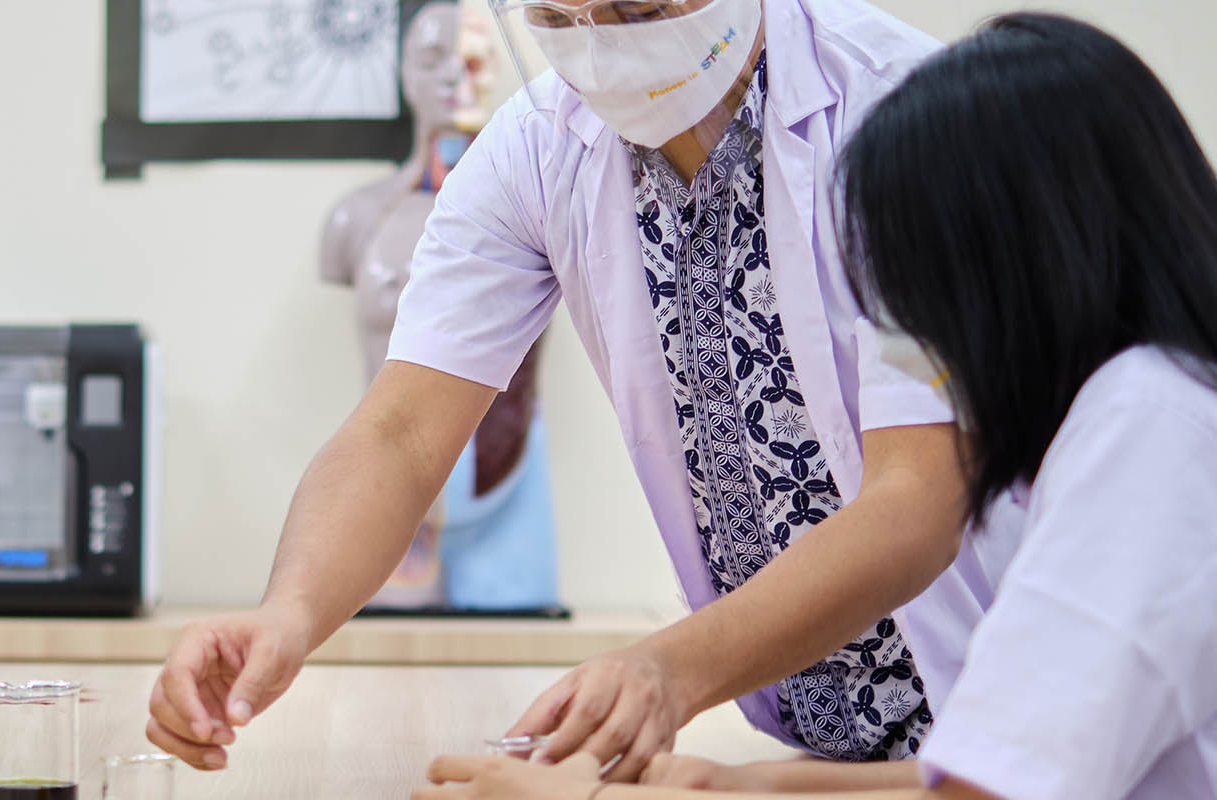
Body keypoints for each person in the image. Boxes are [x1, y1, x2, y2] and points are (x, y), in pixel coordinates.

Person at [149, 0, 1013, 780]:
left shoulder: (904, 113)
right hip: (820, 751)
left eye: (639, 6)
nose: (604, 42)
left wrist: (666, 671)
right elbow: (402, 432)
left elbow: (919, 499)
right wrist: (290, 613)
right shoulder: (538, 148)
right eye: (559, 18)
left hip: (1020, 710)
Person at [420, 12, 1217, 799]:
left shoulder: (1149, 435)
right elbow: (984, 776)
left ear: (1034, 250)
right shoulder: (1144, 407)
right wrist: (735, 785)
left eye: (919, 275)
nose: (911, 333)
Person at [322, 0, 560, 612]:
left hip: (506, 479)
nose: (457, 75)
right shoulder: (357, 218)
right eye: (433, 60)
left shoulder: (547, 204)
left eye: (475, 58)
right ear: (404, 75)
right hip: (392, 483)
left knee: (513, 625)